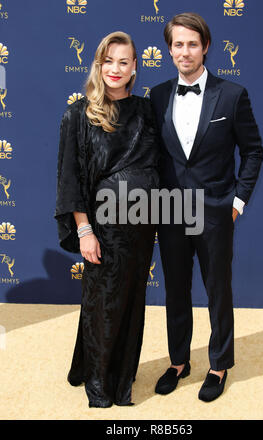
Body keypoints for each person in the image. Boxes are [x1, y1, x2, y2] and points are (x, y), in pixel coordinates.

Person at [150, 13, 263, 401]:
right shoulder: (158, 95)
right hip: (170, 212)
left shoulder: (232, 95)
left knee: (218, 290)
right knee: (175, 290)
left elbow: (253, 151)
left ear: (206, 47)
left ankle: (218, 365)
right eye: (178, 44)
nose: (185, 51)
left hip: (215, 210)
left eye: (192, 44)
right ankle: (178, 361)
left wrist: (236, 202)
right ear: (169, 49)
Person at [54, 31, 159, 408]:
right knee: (102, 303)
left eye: (124, 62)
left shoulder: (147, 110)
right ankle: (98, 383)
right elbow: (71, 178)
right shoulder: (78, 114)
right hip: (103, 228)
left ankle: (122, 380)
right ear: (99, 64)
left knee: (132, 301)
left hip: (143, 226)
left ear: (134, 67)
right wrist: (84, 230)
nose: (116, 69)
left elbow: (160, 163)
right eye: (109, 61)